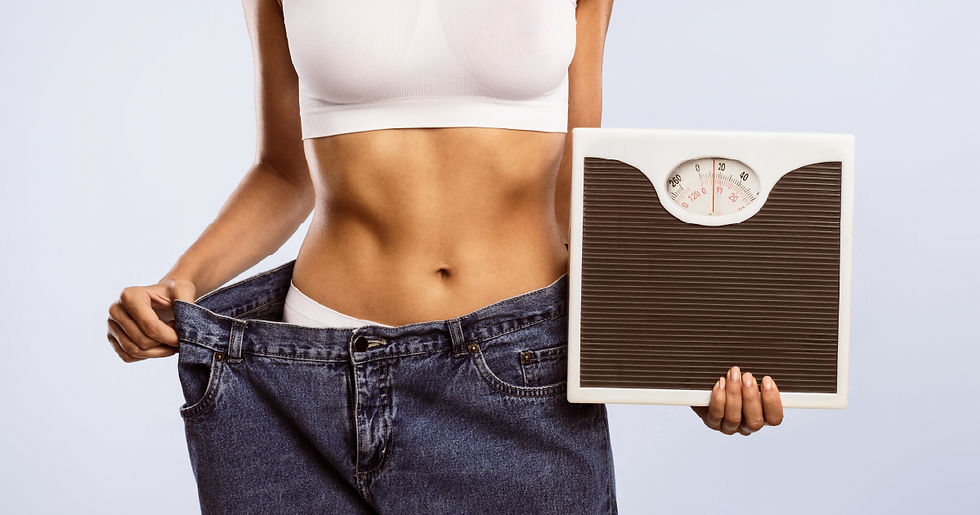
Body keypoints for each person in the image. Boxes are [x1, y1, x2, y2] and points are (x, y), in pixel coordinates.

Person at [106, 0, 783, 512]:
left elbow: (577, 185)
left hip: (519, 376)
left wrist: (676, 358)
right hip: (306, 383)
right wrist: (180, 281)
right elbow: (285, 173)